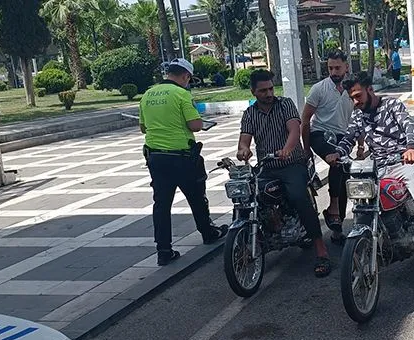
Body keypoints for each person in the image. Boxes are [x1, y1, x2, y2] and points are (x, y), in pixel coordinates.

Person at [332, 71, 414, 246]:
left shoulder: (392, 105)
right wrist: (338, 153)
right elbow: (349, 137)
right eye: (352, 98)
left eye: (358, 96)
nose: (356, 102)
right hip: (378, 167)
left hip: (403, 162)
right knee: (362, 202)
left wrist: (411, 148)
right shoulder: (358, 115)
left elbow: (409, 126)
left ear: (370, 89)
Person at [237, 69, 332, 277]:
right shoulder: (250, 114)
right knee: (247, 198)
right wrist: (243, 150)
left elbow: (294, 130)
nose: (268, 93)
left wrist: (288, 149)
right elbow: (244, 139)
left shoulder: (285, 104)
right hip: (266, 167)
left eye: (270, 88)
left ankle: (320, 249)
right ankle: (252, 241)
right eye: (263, 90)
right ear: (253, 92)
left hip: (291, 164)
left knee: (299, 197)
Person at [139, 58, 228, 266]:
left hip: (156, 158)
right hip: (182, 157)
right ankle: (208, 233)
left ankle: (163, 250)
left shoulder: (147, 94)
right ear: (186, 76)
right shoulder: (181, 94)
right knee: (197, 197)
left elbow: (143, 128)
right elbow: (195, 125)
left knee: (161, 205)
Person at [301, 49, 354, 243]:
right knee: (335, 160)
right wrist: (306, 149)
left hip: (342, 138)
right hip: (320, 135)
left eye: (337, 67)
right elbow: (305, 120)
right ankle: (332, 207)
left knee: (343, 180)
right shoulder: (319, 89)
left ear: (346, 67)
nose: (334, 72)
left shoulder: (352, 89)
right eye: (330, 68)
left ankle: (337, 230)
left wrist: (364, 145)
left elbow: (360, 117)